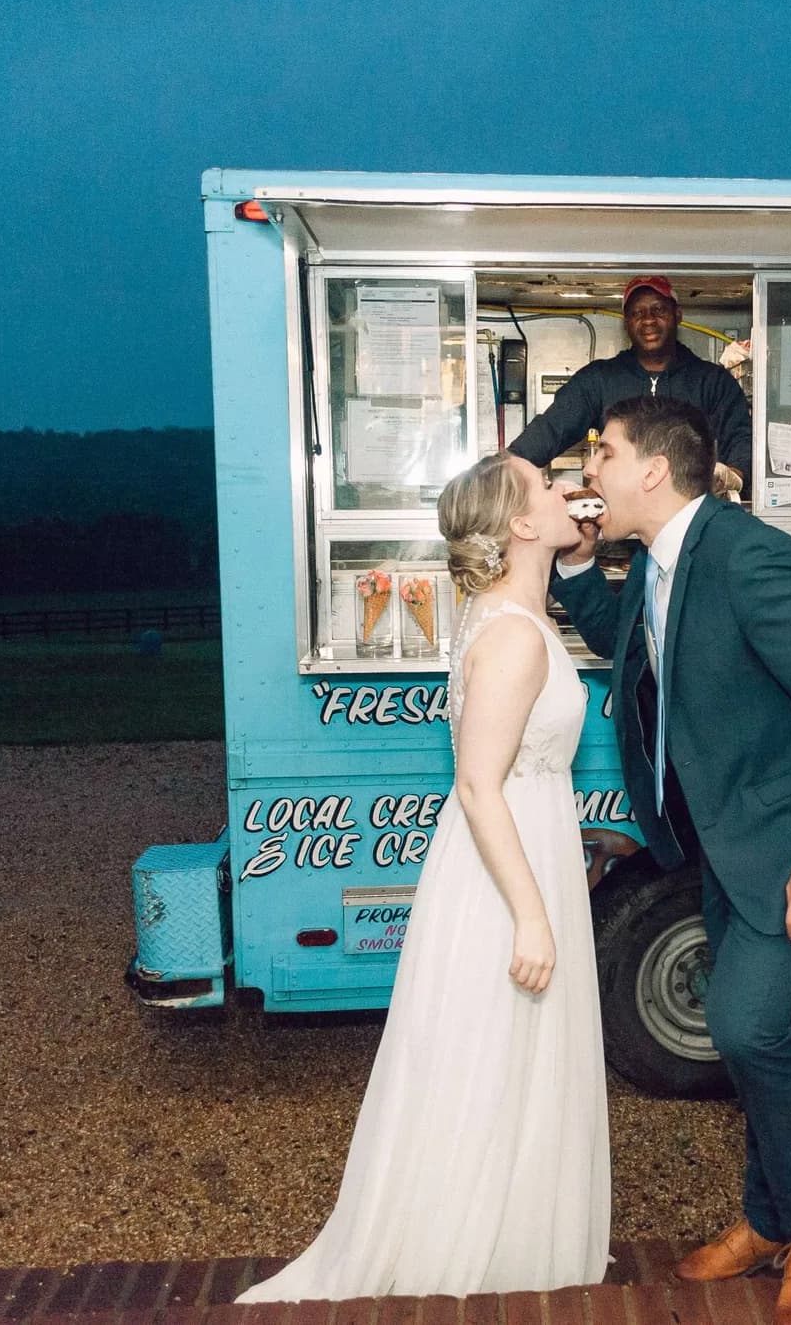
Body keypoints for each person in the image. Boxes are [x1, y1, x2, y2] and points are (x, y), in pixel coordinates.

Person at [238, 453, 610, 1303]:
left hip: (520, 842)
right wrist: (532, 914)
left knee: (503, 1056)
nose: (564, 493)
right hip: (504, 864)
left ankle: (514, 1233)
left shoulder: (511, 613)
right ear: (520, 523)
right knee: (486, 1054)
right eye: (547, 489)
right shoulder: (513, 634)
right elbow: (479, 786)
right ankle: (473, 1240)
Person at [550, 395, 791, 1325]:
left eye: (603, 455)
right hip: (722, 846)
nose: (591, 475)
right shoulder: (665, 560)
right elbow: (634, 636)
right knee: (753, 1026)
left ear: (653, 469)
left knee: (743, 1027)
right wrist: (578, 568)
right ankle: (767, 1219)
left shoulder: (751, 556)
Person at [508, 274, 753, 494]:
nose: (648, 320)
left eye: (658, 310)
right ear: (626, 321)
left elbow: (741, 437)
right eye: (638, 313)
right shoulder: (600, 379)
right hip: (622, 522)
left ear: (677, 315)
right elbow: (551, 429)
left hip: (690, 519)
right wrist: (505, 468)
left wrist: (732, 476)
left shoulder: (712, 381)